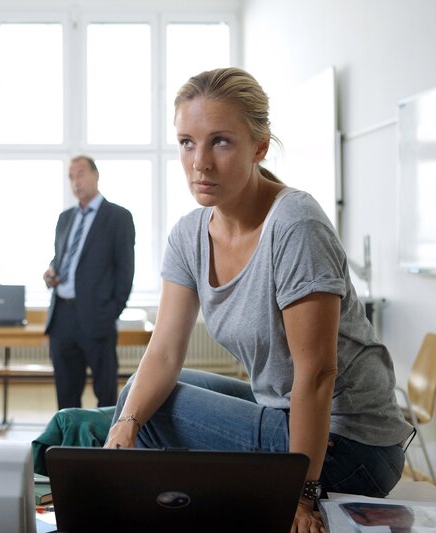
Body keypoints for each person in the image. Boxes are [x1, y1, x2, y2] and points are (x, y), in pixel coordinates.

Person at [103, 68, 413, 533]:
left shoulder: (295, 224)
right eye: (187, 142)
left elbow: (317, 373)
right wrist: (122, 427)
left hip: (351, 444)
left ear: (260, 147)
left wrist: (299, 495)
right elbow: (165, 352)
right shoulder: (190, 234)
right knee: (140, 399)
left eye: (220, 142)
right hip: (284, 414)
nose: (199, 162)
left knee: (159, 409)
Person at [44, 155, 135, 410]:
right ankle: (67, 447)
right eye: (71, 177)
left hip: (97, 317)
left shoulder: (118, 217)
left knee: (105, 395)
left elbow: (126, 271)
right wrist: (52, 273)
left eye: (81, 173)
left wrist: (110, 311)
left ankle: (105, 448)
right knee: (66, 394)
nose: (76, 181)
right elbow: (60, 259)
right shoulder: (65, 219)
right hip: (61, 316)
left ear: (96, 175)